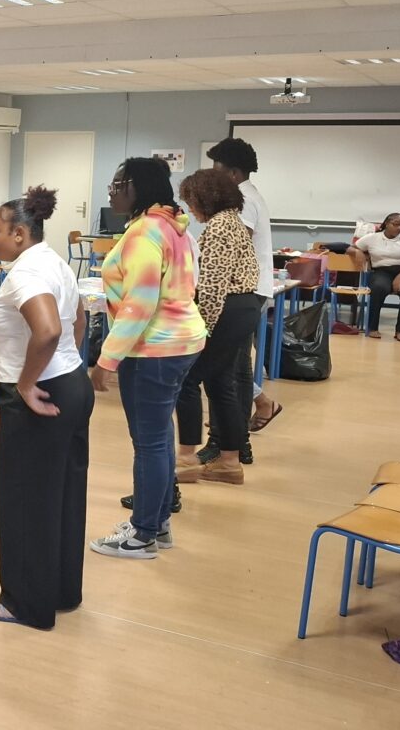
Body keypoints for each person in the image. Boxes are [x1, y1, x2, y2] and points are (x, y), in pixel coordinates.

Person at [0, 187, 93, 626]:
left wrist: (27, 384)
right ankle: (61, 591)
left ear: (19, 234)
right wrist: (66, 364)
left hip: (40, 393)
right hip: (70, 383)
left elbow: (46, 331)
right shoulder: (55, 261)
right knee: (62, 494)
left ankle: (25, 603)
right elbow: (79, 318)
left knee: (24, 499)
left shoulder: (26, 272)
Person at [89, 158, 205, 560]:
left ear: (137, 186)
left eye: (117, 183)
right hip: (180, 342)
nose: (111, 191)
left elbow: (139, 304)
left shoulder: (145, 232)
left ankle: (141, 536)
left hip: (154, 347)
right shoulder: (173, 225)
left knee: (149, 442)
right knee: (159, 438)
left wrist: (106, 360)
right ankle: (158, 523)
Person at [173, 170, 260, 485]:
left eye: (191, 201)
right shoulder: (233, 220)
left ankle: (186, 459)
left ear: (205, 198)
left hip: (226, 311)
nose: (190, 208)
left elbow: (212, 287)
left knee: (186, 379)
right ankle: (229, 462)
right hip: (243, 308)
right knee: (221, 384)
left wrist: (201, 330)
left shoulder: (220, 226)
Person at [206, 138, 281, 445]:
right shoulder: (247, 195)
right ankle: (240, 425)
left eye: (217, 171)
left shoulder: (243, 200)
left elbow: (236, 245)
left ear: (234, 173)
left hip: (244, 289)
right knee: (236, 362)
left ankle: (230, 437)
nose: (214, 178)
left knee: (229, 364)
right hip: (250, 287)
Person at [348, 213, 400, 342]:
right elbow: (350, 248)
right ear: (386, 223)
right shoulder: (372, 238)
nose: (399, 228)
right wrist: (357, 251)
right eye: (396, 224)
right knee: (378, 288)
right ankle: (372, 328)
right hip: (382, 271)